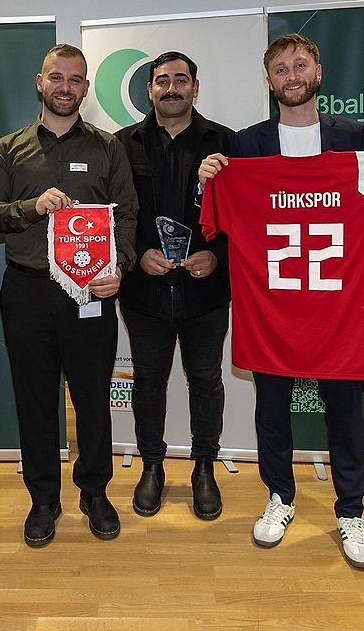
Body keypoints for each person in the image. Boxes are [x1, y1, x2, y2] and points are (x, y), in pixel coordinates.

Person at [198, 33, 364, 570]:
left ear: (318, 72)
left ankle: (351, 509)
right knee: (272, 408)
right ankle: (280, 497)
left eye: (300, 65)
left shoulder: (354, 137)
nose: (291, 76)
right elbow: (223, 220)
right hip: (273, 305)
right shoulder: (245, 145)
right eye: (280, 69)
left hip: (338, 307)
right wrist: (210, 183)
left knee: (345, 413)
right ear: (268, 81)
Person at [0, 43, 138, 547]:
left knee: (93, 396)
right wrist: (32, 206)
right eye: (57, 77)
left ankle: (95, 492)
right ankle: (43, 499)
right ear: (40, 81)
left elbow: (128, 217)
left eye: (75, 79)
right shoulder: (10, 147)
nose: (65, 87)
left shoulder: (108, 148)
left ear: (86, 88)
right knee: (35, 401)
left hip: (92, 292)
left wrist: (122, 266)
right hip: (29, 291)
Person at [114, 51, 233, 520]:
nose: (171, 89)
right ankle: (152, 466)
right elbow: (116, 213)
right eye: (162, 81)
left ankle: (204, 467)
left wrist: (217, 255)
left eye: (181, 80)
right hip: (144, 291)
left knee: (206, 380)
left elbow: (245, 215)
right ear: (149, 89)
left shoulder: (225, 142)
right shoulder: (123, 144)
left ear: (195, 87)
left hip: (205, 290)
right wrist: (137, 253)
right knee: (148, 382)